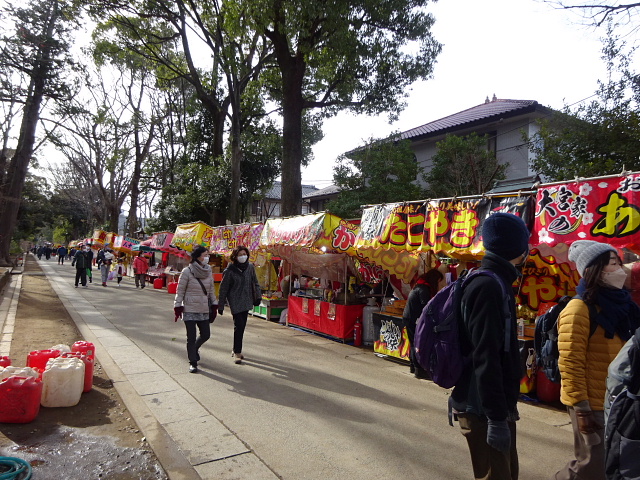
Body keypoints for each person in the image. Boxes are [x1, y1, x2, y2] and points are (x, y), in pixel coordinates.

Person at [450, 212, 530, 480]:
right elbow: (486, 355)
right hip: (482, 407)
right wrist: (496, 418)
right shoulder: (489, 286)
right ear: (518, 247)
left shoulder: (493, 280)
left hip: (487, 404)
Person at [553, 240, 640, 480]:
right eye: (612, 264)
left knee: (611, 462)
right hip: (592, 403)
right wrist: (581, 410)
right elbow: (570, 363)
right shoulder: (578, 309)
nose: (620, 270)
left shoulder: (624, 306)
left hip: (617, 400)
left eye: (619, 263)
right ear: (594, 271)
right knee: (590, 464)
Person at [174, 246, 217, 373]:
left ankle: (195, 348)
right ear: (197, 256)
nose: (207, 257)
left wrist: (214, 304)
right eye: (205, 255)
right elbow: (180, 290)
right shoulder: (187, 271)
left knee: (206, 334)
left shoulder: (208, 271)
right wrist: (177, 306)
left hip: (203, 308)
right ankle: (193, 362)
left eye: (208, 255)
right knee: (191, 337)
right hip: (189, 309)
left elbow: (211, 290)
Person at [218, 246, 261, 364]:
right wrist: (220, 305)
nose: (243, 256)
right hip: (235, 300)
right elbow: (223, 288)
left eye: (244, 254)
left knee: (242, 326)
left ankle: (235, 348)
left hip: (247, 300)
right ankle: (237, 352)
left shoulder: (250, 267)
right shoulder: (230, 270)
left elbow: (255, 282)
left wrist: (258, 296)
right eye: (240, 254)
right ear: (235, 256)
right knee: (239, 325)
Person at [402, 268, 444, 379]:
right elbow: (426, 306)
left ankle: (413, 367)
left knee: (413, 343)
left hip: (410, 317)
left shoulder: (420, 285)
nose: (439, 284)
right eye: (438, 281)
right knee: (417, 343)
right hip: (413, 318)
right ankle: (418, 370)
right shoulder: (423, 289)